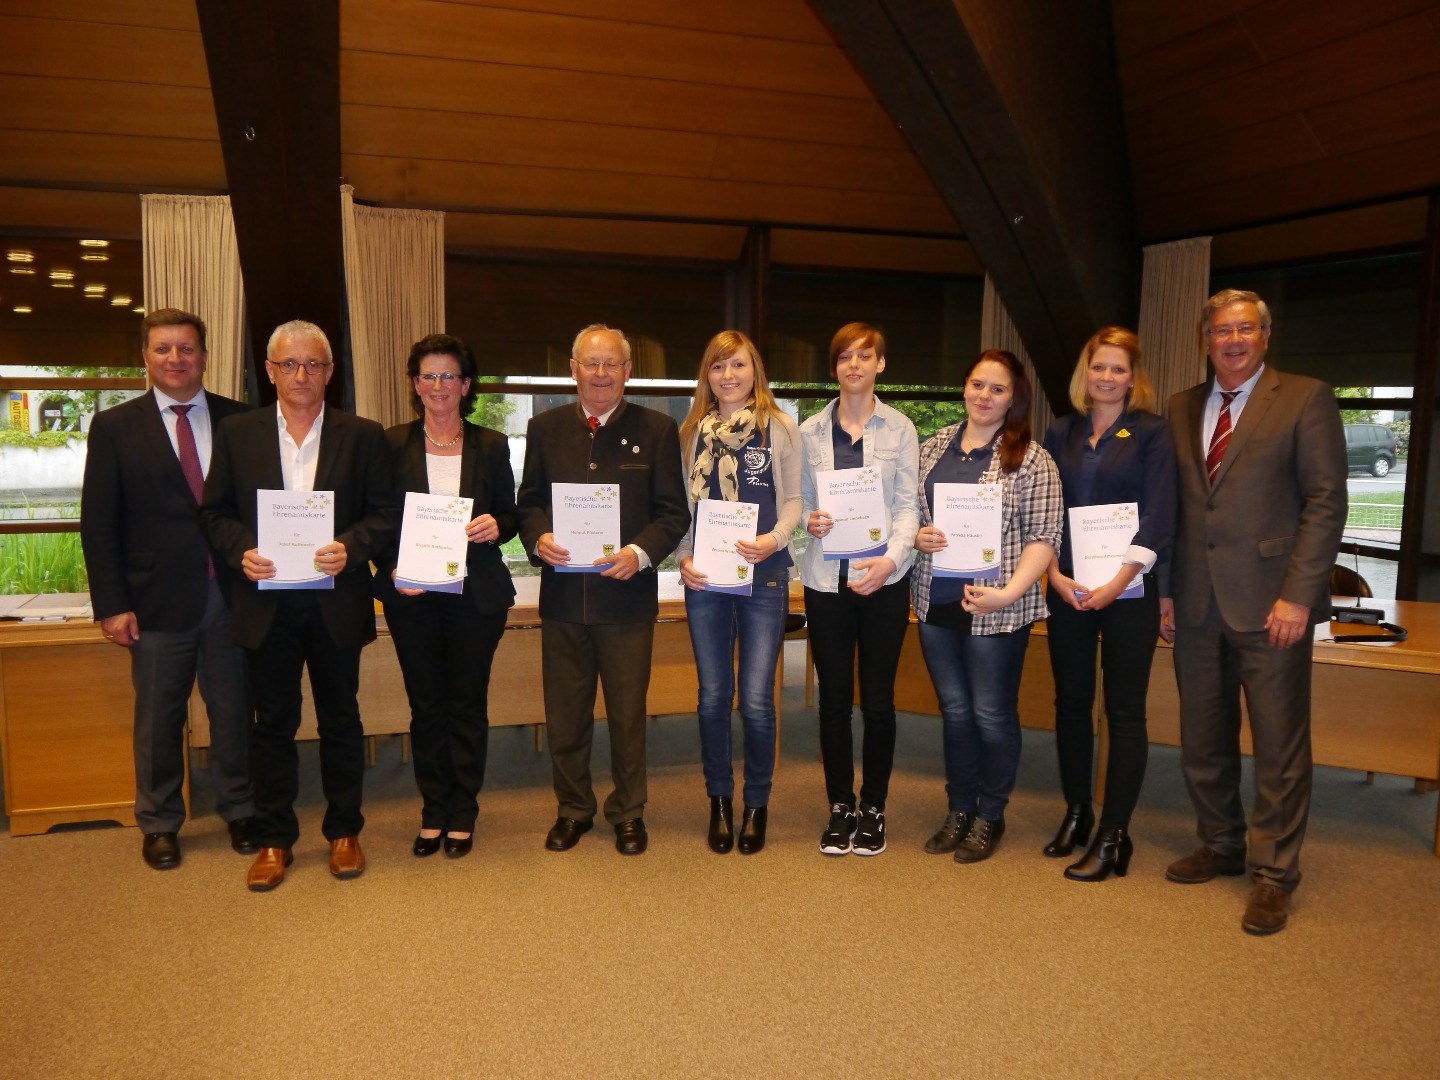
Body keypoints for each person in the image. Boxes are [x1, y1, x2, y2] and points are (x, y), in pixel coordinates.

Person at [1159, 289, 1346, 935]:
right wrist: (1166, 592)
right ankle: (1221, 842)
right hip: (1196, 601)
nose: (1233, 340)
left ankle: (1274, 874)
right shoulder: (1181, 406)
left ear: (1265, 336)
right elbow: (1177, 508)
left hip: (1273, 604)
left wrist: (1299, 595)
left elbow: (1326, 501)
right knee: (1202, 737)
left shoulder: (1305, 398)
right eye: (1221, 330)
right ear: (1205, 339)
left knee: (1278, 745)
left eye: (1244, 329)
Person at [200, 320, 396, 891]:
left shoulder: (363, 435)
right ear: (270, 371)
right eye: (289, 364)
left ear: (330, 372)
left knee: (341, 719)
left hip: (335, 599)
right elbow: (214, 513)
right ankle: (275, 838)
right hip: (266, 602)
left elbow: (385, 514)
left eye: (313, 364)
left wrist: (351, 547)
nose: (301, 374)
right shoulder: (238, 433)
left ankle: (344, 831)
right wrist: (243, 551)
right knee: (272, 724)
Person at [80, 308, 255, 870]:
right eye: (163, 349)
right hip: (153, 600)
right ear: (146, 357)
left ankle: (240, 809)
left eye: (186, 348)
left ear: (204, 355)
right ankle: (158, 821)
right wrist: (112, 606)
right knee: (158, 718)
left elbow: (259, 507)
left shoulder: (241, 420)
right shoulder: (115, 427)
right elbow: (98, 523)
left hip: (232, 594)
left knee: (234, 710)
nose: (176, 359)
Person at [517, 324, 689, 856]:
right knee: (566, 715)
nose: (600, 373)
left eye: (611, 363)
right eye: (590, 363)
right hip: (564, 600)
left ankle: (628, 811)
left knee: (627, 715)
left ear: (627, 371)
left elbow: (672, 513)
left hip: (626, 600)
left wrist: (639, 553)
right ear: (573, 370)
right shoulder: (545, 428)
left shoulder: (657, 429)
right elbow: (528, 503)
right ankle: (573, 808)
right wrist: (539, 537)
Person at [912, 350, 1061, 864]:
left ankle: (990, 814)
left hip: (997, 607)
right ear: (965, 386)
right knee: (955, 713)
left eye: (998, 389)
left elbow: (1044, 537)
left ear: (1014, 397)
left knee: (992, 714)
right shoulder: (933, 447)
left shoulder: (1033, 459)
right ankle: (959, 808)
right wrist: (918, 535)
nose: (985, 396)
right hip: (936, 600)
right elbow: (912, 514)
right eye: (978, 384)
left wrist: (1010, 592)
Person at [374, 333, 517, 860]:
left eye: (449, 376)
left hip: (473, 596)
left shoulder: (492, 445)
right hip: (412, 594)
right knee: (426, 706)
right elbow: (376, 518)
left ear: (466, 385)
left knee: (467, 704)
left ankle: (463, 812)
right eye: (428, 376)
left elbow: (511, 515)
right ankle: (433, 809)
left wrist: (496, 526)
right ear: (416, 384)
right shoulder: (390, 444)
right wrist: (390, 567)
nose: (438, 385)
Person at [1041, 328, 1175, 881]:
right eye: (1099, 367)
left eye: (1119, 369)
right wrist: (1053, 573)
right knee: (1071, 703)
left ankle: (1114, 833)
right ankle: (1078, 812)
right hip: (1069, 587)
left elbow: (1161, 515)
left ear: (1133, 377)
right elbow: (1045, 509)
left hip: (1130, 591)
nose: (1107, 377)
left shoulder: (1153, 432)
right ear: (1085, 372)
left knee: (1124, 711)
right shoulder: (1061, 430)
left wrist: (1118, 582)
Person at [675, 331, 802, 855]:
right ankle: (720, 801)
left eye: (738, 365)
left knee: (754, 700)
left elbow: (793, 500)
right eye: (718, 366)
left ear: (755, 371)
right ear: (707, 375)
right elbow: (683, 509)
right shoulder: (691, 433)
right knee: (711, 696)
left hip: (764, 576)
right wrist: (683, 557)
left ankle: (756, 804)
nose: (728, 376)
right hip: (706, 580)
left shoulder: (780, 428)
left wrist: (774, 539)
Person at [800, 322, 919, 857]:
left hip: (883, 582)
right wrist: (811, 520)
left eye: (864, 356)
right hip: (827, 582)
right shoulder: (808, 432)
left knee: (878, 701)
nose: (854, 365)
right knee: (833, 700)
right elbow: (801, 504)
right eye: (845, 356)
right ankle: (839, 805)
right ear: (835, 367)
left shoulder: (901, 429)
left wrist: (891, 561)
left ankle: (873, 807)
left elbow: (908, 507)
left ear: (880, 364)